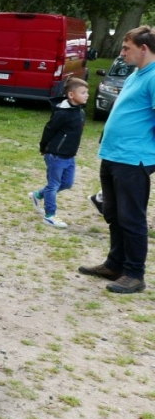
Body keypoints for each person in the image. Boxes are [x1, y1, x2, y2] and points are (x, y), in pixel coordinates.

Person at [78, 25, 155, 294]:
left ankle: (134, 274)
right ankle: (115, 264)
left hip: (134, 160)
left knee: (132, 217)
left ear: (144, 49)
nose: (122, 53)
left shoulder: (154, 77)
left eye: (127, 48)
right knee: (113, 213)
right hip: (113, 155)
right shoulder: (136, 74)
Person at [28, 77, 88, 228]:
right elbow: (49, 129)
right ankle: (50, 216)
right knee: (54, 185)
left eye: (87, 92)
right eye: (83, 92)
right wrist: (44, 147)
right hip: (55, 155)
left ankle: (38, 195)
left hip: (69, 156)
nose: (87, 95)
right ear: (71, 95)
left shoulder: (80, 112)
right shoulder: (62, 113)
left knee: (67, 183)